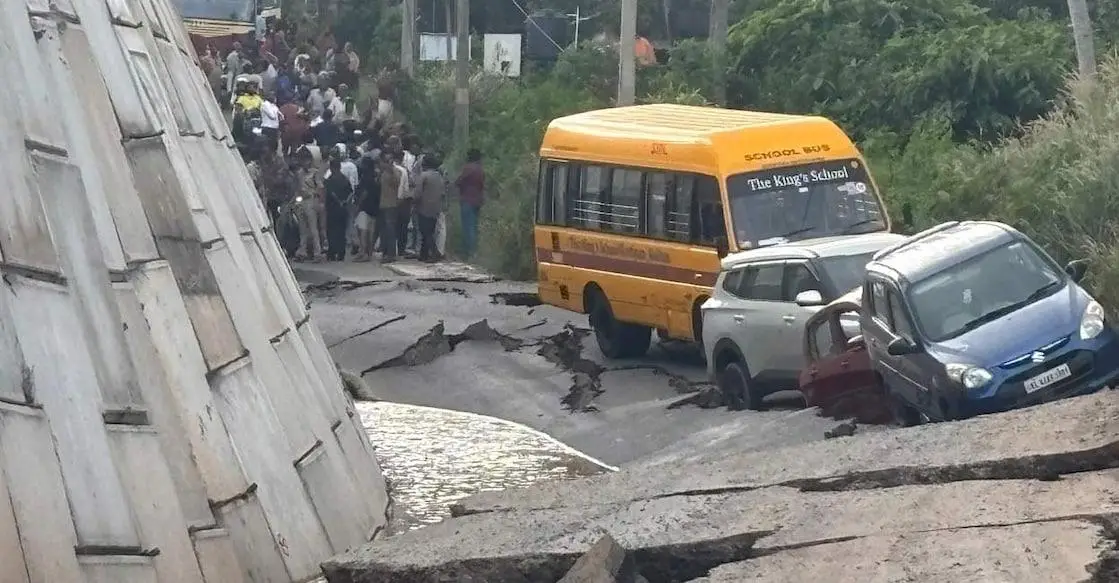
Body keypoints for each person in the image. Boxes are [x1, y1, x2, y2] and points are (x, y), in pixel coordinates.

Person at [294, 149, 325, 262]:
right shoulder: (299, 173)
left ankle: (317, 253)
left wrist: (320, 202)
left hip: (311, 200)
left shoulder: (315, 173)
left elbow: (320, 188)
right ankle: (302, 252)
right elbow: (298, 187)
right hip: (301, 200)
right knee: (302, 229)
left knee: (313, 229)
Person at [414, 155, 446, 262]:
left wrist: (414, 204)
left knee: (425, 231)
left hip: (424, 207)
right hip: (436, 207)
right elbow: (442, 193)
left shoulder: (424, 175)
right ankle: (424, 254)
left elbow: (418, 193)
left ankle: (434, 252)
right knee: (430, 231)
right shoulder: (439, 176)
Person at [455, 148, 485, 258]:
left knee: (468, 227)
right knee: (474, 226)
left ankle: (469, 252)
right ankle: (474, 251)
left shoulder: (468, 168)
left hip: (467, 199)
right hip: (478, 200)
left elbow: (459, 181)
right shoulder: (480, 169)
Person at [323, 157, 353, 261]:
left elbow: (330, 193)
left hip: (332, 208)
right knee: (341, 231)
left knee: (331, 231)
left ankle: (332, 252)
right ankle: (341, 252)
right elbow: (351, 193)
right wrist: (345, 202)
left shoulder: (329, 180)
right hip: (343, 209)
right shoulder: (344, 179)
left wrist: (339, 201)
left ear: (331, 168)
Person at [354, 152, 380, 261]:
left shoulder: (365, 178)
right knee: (371, 232)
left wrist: (358, 206)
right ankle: (369, 253)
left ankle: (363, 252)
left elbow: (364, 193)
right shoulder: (376, 176)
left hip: (365, 207)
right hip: (375, 207)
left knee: (362, 230)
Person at [376, 151, 402, 262]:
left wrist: (391, 170)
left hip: (391, 204)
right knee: (384, 230)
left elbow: (397, 182)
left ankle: (391, 254)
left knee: (390, 229)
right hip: (383, 204)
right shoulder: (383, 173)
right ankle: (385, 252)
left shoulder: (395, 172)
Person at [393, 152, 414, 256]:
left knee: (391, 225)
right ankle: (401, 249)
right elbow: (406, 189)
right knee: (402, 226)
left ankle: (389, 249)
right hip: (402, 201)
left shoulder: (388, 169)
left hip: (390, 201)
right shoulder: (403, 170)